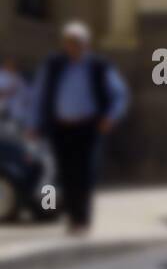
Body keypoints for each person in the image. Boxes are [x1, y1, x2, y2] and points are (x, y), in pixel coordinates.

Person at [25, 22, 129, 234]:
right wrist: (33, 124)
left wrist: (110, 118)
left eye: (77, 42)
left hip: (87, 128)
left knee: (85, 174)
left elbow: (119, 94)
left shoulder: (98, 66)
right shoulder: (54, 65)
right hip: (60, 128)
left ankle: (82, 219)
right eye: (69, 42)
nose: (73, 46)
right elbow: (38, 95)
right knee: (64, 173)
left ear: (86, 44)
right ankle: (72, 218)